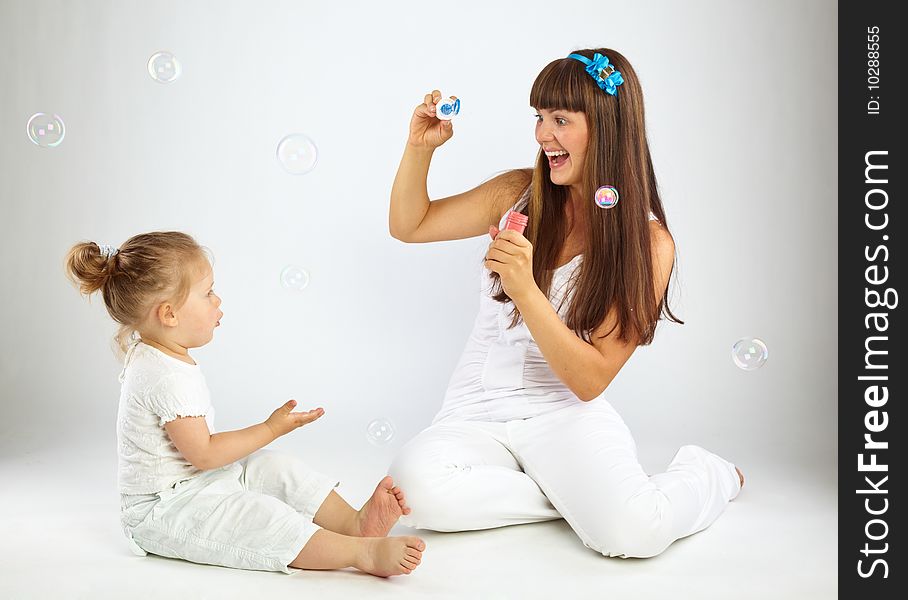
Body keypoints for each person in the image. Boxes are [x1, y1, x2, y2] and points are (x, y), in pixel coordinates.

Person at [387, 48, 744, 558]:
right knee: (413, 492)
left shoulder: (649, 244)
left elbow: (590, 378)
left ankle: (710, 474)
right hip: (476, 410)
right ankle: (577, 497)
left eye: (560, 120)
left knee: (633, 534)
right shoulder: (518, 193)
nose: (541, 135)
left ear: (605, 126)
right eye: (539, 117)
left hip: (564, 415)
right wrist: (419, 148)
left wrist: (525, 289)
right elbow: (410, 225)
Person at [65, 232, 425, 576]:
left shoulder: (157, 353)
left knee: (271, 468)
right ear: (169, 315)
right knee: (255, 518)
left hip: (197, 483)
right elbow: (204, 454)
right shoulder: (164, 376)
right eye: (208, 294)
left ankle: (355, 524)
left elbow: (203, 462)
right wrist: (270, 429)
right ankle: (360, 553)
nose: (217, 301)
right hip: (163, 510)